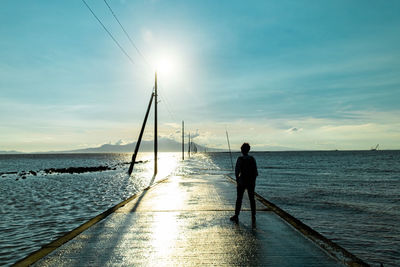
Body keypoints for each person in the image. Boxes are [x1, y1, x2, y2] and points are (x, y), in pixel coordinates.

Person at [230, 142, 258, 224]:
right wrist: (253, 181)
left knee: (239, 199)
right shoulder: (252, 159)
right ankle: (253, 214)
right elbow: (255, 172)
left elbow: (237, 171)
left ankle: (236, 215)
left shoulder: (240, 159)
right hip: (251, 182)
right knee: (252, 199)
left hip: (242, 181)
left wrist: (237, 180)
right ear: (248, 150)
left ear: (242, 150)